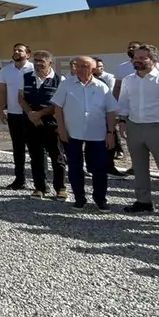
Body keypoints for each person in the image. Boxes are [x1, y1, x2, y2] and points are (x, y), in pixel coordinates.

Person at [116, 44, 159, 220]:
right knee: (139, 167)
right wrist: (122, 121)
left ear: (153, 60)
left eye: (141, 58)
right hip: (134, 127)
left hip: (158, 128)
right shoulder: (129, 80)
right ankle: (143, 202)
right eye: (135, 58)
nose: (136, 61)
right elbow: (124, 102)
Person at [53, 57, 119, 211]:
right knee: (75, 166)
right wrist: (61, 128)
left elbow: (111, 111)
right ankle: (79, 198)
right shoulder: (66, 84)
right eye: (77, 65)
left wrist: (110, 132)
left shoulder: (102, 87)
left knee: (100, 167)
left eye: (84, 66)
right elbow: (58, 107)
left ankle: (100, 199)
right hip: (73, 132)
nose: (79, 68)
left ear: (93, 69)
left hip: (97, 133)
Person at [18, 50, 66, 200]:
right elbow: (21, 99)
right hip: (31, 121)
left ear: (50, 63)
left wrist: (40, 114)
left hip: (52, 122)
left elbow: (59, 104)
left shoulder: (60, 80)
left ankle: (61, 188)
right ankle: (40, 187)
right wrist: (31, 114)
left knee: (57, 156)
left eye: (42, 61)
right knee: (36, 156)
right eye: (36, 60)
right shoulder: (26, 77)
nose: (38, 63)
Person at [0, 43, 35, 189]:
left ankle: (41, 183)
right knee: (18, 149)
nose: (16, 52)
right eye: (15, 50)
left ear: (28, 54)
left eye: (20, 50)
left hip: (32, 114)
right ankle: (20, 179)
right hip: (14, 114)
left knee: (36, 149)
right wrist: (1, 110)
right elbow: (1, 91)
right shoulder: (6, 70)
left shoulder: (34, 70)